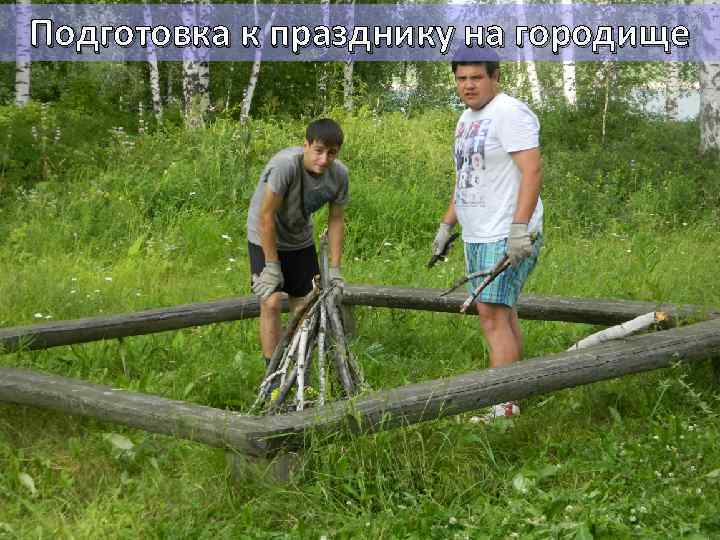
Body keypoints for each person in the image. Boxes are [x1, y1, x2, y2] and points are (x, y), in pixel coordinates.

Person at [432, 49, 544, 420]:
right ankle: (515, 392)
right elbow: (465, 176)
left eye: (476, 78)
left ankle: (504, 408)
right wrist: (448, 225)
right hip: (478, 232)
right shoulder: (466, 119)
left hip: (506, 230)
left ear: (495, 77)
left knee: (491, 316)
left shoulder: (510, 112)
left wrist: (518, 229)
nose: (468, 85)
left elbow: (532, 171)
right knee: (503, 313)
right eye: (461, 78)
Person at [247, 118, 348, 369]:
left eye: (331, 153)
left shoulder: (339, 175)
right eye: (318, 151)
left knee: (305, 306)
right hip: (263, 235)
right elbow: (266, 216)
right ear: (306, 145)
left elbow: (336, 220)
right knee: (270, 302)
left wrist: (335, 270)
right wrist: (271, 265)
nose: (324, 159)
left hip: (300, 238)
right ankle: (271, 374)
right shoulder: (285, 166)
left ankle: (297, 367)